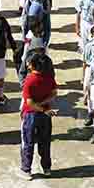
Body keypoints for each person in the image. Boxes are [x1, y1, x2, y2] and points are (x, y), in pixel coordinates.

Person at [19, 52, 56, 180]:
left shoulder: (29, 80)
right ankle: (46, 168)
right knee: (45, 142)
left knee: (28, 142)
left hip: (31, 115)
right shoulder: (49, 78)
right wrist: (44, 107)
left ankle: (26, 169)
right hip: (46, 114)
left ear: (33, 66)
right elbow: (53, 94)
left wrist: (39, 107)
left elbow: (29, 103)